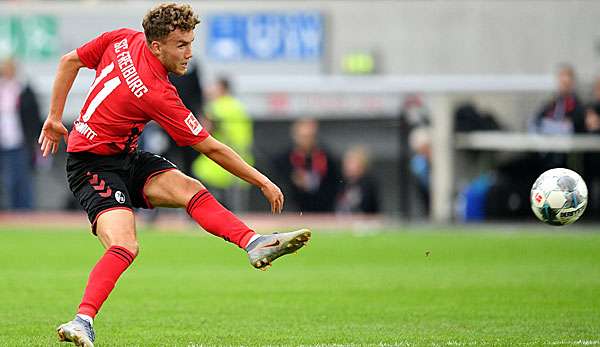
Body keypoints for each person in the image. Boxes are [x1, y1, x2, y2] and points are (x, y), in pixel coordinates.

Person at [37, 4, 310, 346]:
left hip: (125, 156)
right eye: (181, 45)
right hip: (91, 165)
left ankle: (253, 243)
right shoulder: (158, 93)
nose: (189, 53)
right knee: (125, 244)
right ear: (156, 46)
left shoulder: (122, 38)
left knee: (189, 189)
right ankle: (82, 320)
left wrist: (54, 117)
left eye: (191, 43)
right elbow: (211, 148)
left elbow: (69, 61)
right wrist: (263, 180)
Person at [192, 76, 254, 211]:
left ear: (221, 89)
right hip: (242, 159)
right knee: (236, 205)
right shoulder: (239, 107)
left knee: (196, 174)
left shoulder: (215, 107)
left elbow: (202, 130)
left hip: (218, 163)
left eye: (213, 87)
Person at [0, 57, 42, 210]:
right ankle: (9, 213)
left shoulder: (23, 90)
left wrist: (34, 139)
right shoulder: (2, 90)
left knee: (23, 180)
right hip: (4, 142)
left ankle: (25, 214)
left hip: (20, 142)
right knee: (8, 182)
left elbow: (33, 117)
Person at [275, 118, 341, 212]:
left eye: (310, 136)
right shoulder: (283, 159)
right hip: (292, 210)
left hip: (322, 210)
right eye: (303, 136)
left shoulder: (327, 158)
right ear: (295, 136)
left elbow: (335, 184)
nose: (306, 140)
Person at [335, 145, 380, 214]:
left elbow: (368, 208)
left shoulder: (368, 184)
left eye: (352, 163)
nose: (348, 166)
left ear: (362, 166)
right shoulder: (342, 183)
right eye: (347, 162)